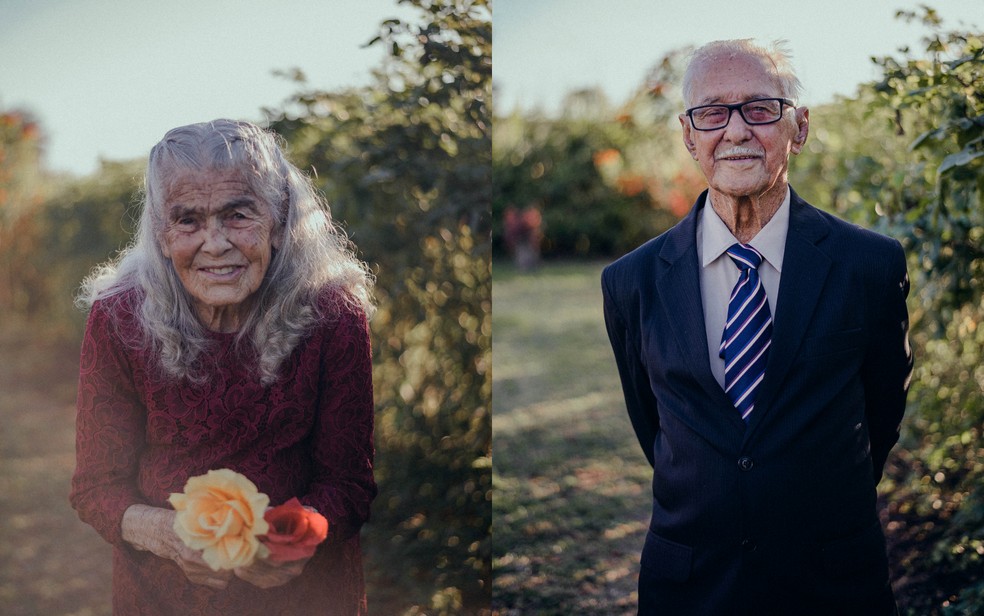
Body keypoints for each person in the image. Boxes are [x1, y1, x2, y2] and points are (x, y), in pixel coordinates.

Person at [601, 40, 912, 615]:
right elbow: (654, 425)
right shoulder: (631, 281)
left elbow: (882, 411)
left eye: (761, 108)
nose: (737, 130)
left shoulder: (869, 265)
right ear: (688, 134)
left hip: (833, 583)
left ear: (800, 127)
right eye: (712, 112)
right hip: (691, 585)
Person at [70, 119, 377, 614]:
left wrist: (297, 541)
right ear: (161, 235)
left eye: (238, 215)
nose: (214, 244)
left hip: (306, 597)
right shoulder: (120, 317)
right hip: (162, 597)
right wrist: (166, 535)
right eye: (188, 220)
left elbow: (349, 485)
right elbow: (95, 487)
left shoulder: (332, 313)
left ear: (279, 222)